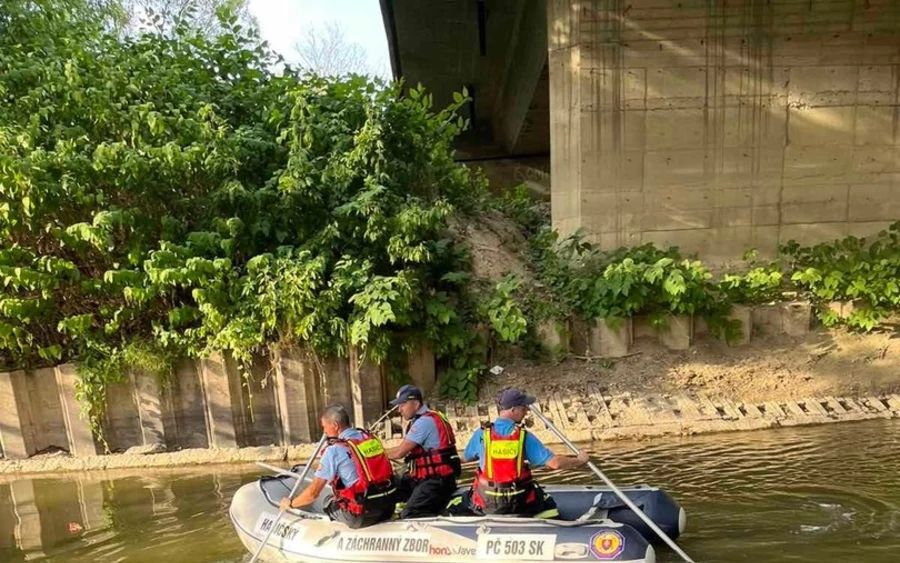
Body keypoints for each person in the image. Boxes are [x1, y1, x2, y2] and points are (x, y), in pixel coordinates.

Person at [457, 387, 589, 518]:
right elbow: (555, 463)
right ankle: (549, 530)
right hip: (519, 502)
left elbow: (465, 458)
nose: (526, 411)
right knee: (549, 504)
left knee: (459, 502)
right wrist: (580, 460)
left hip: (487, 502)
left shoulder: (481, 434)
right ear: (513, 410)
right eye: (523, 408)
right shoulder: (523, 436)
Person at [279, 404, 397, 529]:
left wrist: (290, 504)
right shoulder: (368, 438)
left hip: (360, 516)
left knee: (327, 501)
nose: (324, 432)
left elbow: (312, 494)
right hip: (387, 508)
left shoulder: (333, 451)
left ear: (335, 425)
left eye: (325, 427)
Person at [384, 384, 461, 518]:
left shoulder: (423, 423)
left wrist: (373, 455)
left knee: (409, 514)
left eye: (402, 404)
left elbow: (399, 453)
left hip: (435, 481)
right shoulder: (430, 417)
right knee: (391, 489)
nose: (399, 410)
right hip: (433, 477)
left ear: (415, 403)